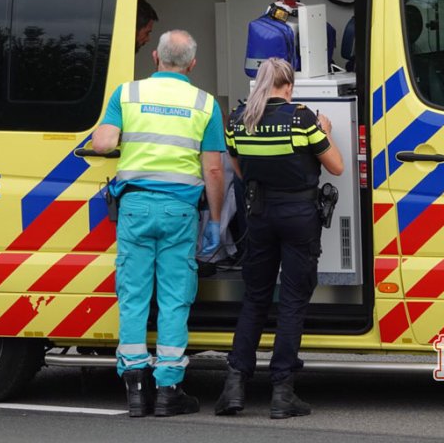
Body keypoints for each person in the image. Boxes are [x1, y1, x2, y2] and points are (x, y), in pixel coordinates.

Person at [92, 29, 225, 418]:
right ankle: (168, 390)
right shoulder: (205, 103)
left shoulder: (127, 94)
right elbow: (214, 169)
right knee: (173, 298)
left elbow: (102, 144)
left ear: (155, 58)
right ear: (192, 64)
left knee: (133, 296)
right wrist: (215, 220)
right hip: (178, 212)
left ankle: (135, 389)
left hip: (133, 207)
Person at [214, 57, 343, 419]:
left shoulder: (238, 120)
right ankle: (282, 392)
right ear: (287, 86)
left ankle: (234, 386)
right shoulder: (302, 119)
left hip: (260, 215)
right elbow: (336, 166)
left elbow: (239, 172)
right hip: (299, 216)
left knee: (255, 298)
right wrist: (327, 131)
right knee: (291, 302)